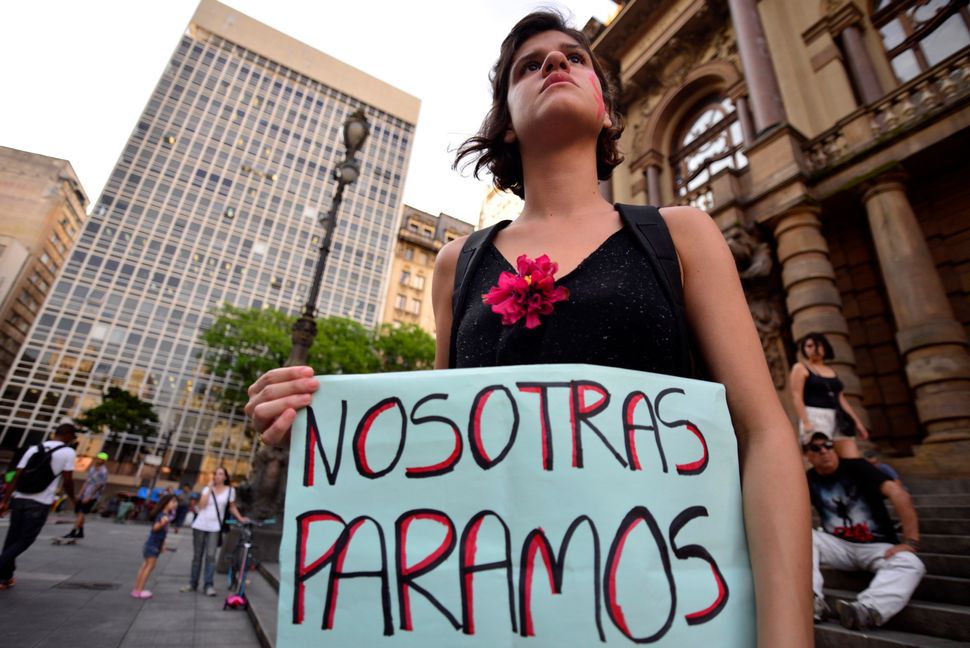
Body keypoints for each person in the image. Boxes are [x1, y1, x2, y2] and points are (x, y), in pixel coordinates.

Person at [243, 11, 812, 645]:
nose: (554, 65)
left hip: (660, 609)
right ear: (506, 125)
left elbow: (763, 434)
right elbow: (440, 449)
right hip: (497, 612)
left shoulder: (680, 234)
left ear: (608, 112)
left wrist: (786, 637)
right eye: (529, 65)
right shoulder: (457, 264)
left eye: (575, 57)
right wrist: (311, 418)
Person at [804, 432, 925, 629]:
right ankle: (811, 602)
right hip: (839, 546)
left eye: (828, 445)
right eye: (816, 448)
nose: (824, 451)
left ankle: (867, 610)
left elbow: (898, 493)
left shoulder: (857, 467)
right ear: (807, 456)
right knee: (803, 537)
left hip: (878, 546)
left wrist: (910, 540)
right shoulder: (808, 479)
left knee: (911, 563)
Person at [0, 423, 78, 590]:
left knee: (12, 538)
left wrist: (5, 501)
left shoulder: (34, 448)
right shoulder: (68, 452)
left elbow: (16, 476)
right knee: (25, 540)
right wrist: (74, 498)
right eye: (73, 436)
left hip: (19, 499)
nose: (73, 440)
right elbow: (68, 480)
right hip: (40, 502)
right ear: (68, 435)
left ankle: (6, 577)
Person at [790, 332, 869, 459]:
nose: (815, 349)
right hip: (815, 416)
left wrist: (857, 422)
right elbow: (796, 396)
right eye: (809, 346)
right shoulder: (800, 368)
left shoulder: (831, 370)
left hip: (838, 416)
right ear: (804, 349)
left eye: (818, 345)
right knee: (823, 458)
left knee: (852, 459)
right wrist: (806, 422)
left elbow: (841, 399)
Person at [180, 466, 248, 596]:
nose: (217, 476)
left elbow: (232, 507)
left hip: (215, 527)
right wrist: (209, 488)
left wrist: (240, 518)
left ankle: (208, 585)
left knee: (211, 556)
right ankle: (192, 584)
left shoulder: (230, 491)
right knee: (197, 556)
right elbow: (202, 505)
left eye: (220, 474)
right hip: (200, 525)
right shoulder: (207, 489)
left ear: (225, 477)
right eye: (216, 474)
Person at [132, 493, 178, 599]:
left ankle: (136, 589)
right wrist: (162, 523)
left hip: (154, 545)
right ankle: (139, 590)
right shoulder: (162, 515)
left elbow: (162, 534)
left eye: (176, 502)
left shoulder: (165, 515)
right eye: (173, 502)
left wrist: (162, 545)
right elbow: (155, 528)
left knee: (145, 566)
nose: (175, 504)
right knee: (149, 566)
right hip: (152, 545)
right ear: (166, 503)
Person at [62, 451, 109, 541]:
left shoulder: (103, 471)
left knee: (82, 513)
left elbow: (100, 485)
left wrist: (90, 496)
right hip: (85, 493)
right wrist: (80, 493)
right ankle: (80, 532)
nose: (99, 460)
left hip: (93, 495)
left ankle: (73, 531)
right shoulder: (92, 468)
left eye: (101, 459)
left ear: (104, 461)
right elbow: (87, 481)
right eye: (98, 458)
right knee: (79, 513)